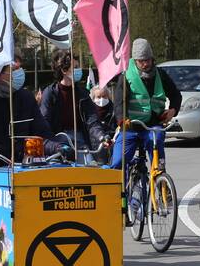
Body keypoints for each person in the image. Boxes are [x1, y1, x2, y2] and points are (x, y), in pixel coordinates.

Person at [110, 38, 182, 172]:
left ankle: (162, 186)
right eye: (141, 61)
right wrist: (122, 120)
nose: (145, 64)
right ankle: (120, 190)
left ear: (152, 59)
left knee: (157, 148)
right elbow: (119, 102)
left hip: (153, 125)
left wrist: (173, 110)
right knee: (118, 162)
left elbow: (176, 95)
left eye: (148, 60)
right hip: (130, 127)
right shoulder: (126, 76)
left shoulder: (160, 75)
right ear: (135, 61)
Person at [39, 49, 107, 160]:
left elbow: (92, 120)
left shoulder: (82, 93)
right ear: (64, 70)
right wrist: (53, 146)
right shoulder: (50, 93)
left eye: (78, 66)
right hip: (59, 141)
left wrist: (101, 136)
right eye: (75, 67)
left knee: (89, 168)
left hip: (80, 141)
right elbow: (44, 124)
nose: (78, 70)